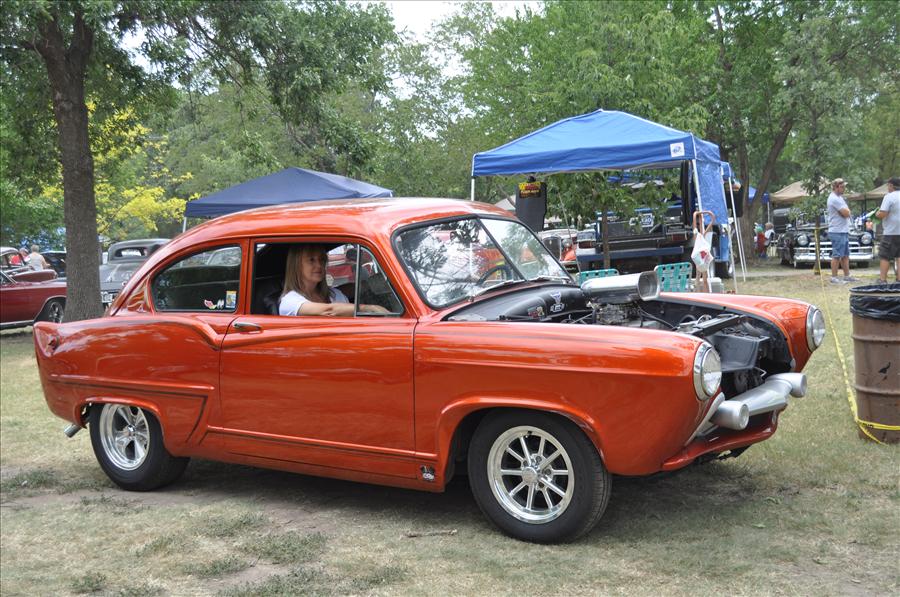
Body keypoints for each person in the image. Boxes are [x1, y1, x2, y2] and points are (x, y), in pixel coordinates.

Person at [279, 244, 387, 316]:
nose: (319, 265)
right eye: (311, 260)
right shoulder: (289, 302)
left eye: (322, 260)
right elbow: (329, 311)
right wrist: (369, 308)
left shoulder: (334, 294)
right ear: (296, 266)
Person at [826, 178, 856, 283]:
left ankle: (847, 276)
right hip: (836, 231)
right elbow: (846, 213)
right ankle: (834, 277)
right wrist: (846, 212)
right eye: (842, 187)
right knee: (837, 255)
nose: (844, 188)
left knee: (845, 255)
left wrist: (846, 212)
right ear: (835, 187)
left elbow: (846, 212)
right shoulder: (834, 198)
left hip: (843, 230)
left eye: (844, 186)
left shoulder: (840, 198)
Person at [875, 177, 900, 283]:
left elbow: (883, 213)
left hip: (891, 231)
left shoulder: (889, 197)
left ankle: (882, 280)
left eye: (888, 185)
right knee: (899, 256)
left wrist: (877, 214)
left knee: (885, 256)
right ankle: (899, 280)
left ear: (891, 186)